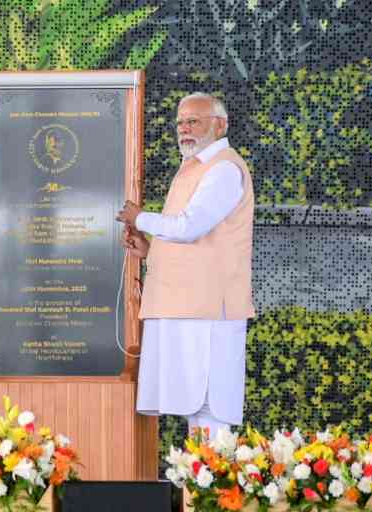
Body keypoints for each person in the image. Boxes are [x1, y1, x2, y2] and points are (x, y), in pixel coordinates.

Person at [116, 92, 255, 439]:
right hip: (184, 305)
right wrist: (150, 251)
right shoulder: (193, 168)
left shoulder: (224, 168)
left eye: (194, 120)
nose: (184, 129)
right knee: (192, 406)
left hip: (209, 309)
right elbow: (193, 240)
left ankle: (213, 486)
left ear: (220, 125)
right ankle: (199, 486)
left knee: (210, 406)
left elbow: (190, 226)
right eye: (180, 122)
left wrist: (141, 218)